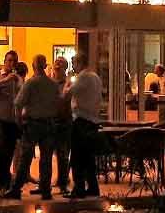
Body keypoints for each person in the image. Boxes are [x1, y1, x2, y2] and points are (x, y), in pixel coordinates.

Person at [7, 53, 60, 198]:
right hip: (49, 123)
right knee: (46, 158)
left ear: (34, 65)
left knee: (25, 157)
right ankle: (45, 189)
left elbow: (18, 104)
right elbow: (58, 103)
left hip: (33, 123)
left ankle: (16, 188)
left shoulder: (31, 83)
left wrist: (19, 121)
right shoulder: (53, 84)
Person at [68, 52, 104, 198]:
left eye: (74, 62)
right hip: (93, 120)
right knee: (89, 158)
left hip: (81, 120)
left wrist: (67, 81)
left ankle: (79, 188)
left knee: (77, 157)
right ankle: (93, 187)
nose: (73, 66)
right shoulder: (95, 77)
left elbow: (68, 93)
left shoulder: (83, 77)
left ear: (80, 62)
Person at [0, 50, 22, 195]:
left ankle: (7, 183)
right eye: (9, 61)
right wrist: (6, 80)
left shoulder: (17, 79)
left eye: (14, 61)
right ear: (5, 61)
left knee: (9, 152)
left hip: (12, 120)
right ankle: (2, 184)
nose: (12, 63)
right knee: (1, 151)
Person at [50, 55, 74, 196]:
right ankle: (56, 180)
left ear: (65, 68)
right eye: (56, 63)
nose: (57, 66)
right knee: (49, 153)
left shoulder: (68, 83)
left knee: (63, 153)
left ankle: (63, 182)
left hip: (65, 121)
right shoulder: (50, 82)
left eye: (60, 64)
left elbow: (64, 99)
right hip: (52, 120)